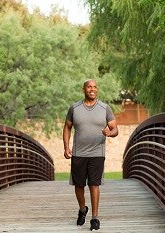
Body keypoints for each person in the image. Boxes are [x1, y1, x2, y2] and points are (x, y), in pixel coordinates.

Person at [63, 79, 118, 231]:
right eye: (89, 87)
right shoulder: (74, 108)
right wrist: (66, 147)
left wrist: (110, 132)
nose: (92, 89)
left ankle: (95, 218)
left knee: (94, 184)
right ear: (84, 89)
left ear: (97, 89)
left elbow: (115, 129)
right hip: (78, 152)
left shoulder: (104, 108)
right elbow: (67, 127)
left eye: (94, 87)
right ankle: (82, 209)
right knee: (79, 185)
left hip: (97, 152)